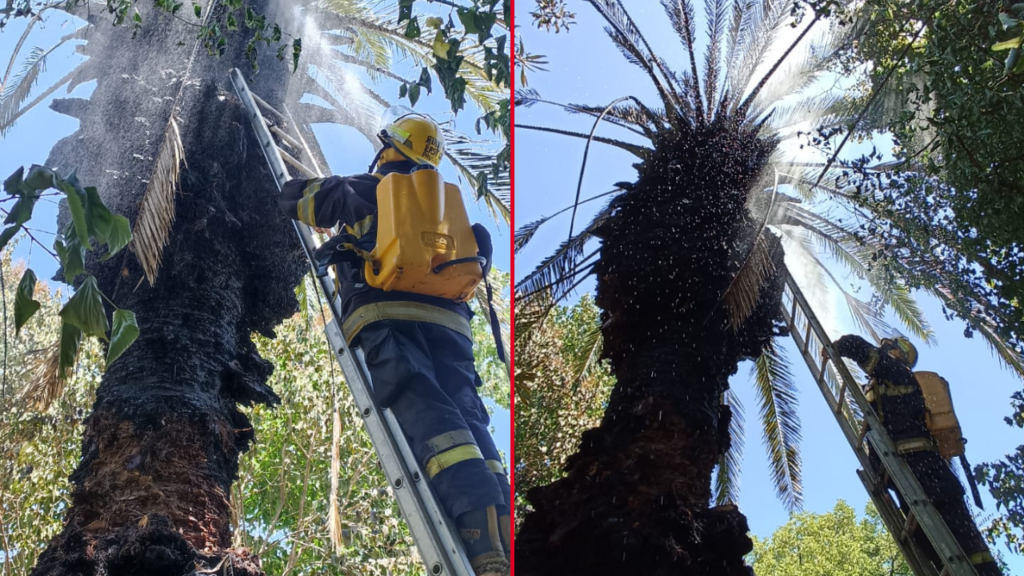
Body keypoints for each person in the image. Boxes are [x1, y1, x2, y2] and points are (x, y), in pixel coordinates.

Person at [278, 106, 511, 576]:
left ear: (390, 149)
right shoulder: (452, 211)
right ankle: (501, 528)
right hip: (451, 327)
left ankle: (476, 535)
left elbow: (296, 200)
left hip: (385, 315)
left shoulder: (366, 189)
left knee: (428, 411)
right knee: (468, 414)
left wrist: (308, 188)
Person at [831, 334, 1001, 576]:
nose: (884, 348)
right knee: (934, 550)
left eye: (888, 347)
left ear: (898, 354)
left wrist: (838, 346)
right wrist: (882, 484)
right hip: (909, 476)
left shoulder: (900, 375)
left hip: (928, 472)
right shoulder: (884, 391)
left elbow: (864, 352)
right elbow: (877, 438)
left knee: (967, 550)